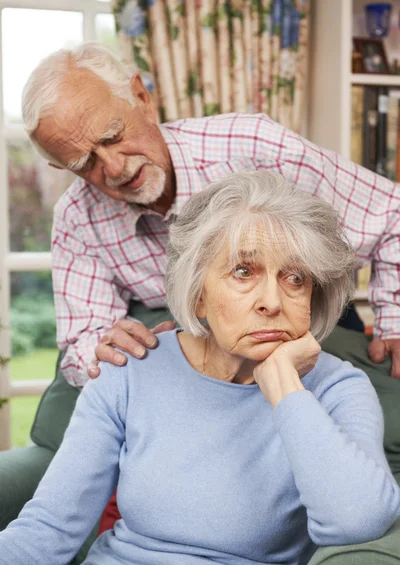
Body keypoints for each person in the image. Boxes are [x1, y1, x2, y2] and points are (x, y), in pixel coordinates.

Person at [1, 171, 399, 565]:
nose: (272, 300)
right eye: (244, 271)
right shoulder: (131, 368)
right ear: (198, 296)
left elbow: (358, 518)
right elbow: (48, 529)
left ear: (314, 297)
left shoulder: (341, 388)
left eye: (295, 278)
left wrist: (285, 387)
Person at [21, 42, 400, 394]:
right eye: (85, 164)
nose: (115, 167)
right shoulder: (77, 218)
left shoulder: (256, 145)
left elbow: (392, 213)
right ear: (62, 167)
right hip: (198, 372)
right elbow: (82, 341)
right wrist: (102, 350)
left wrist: (394, 321)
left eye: (113, 136)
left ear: (141, 97)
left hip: (309, 337)